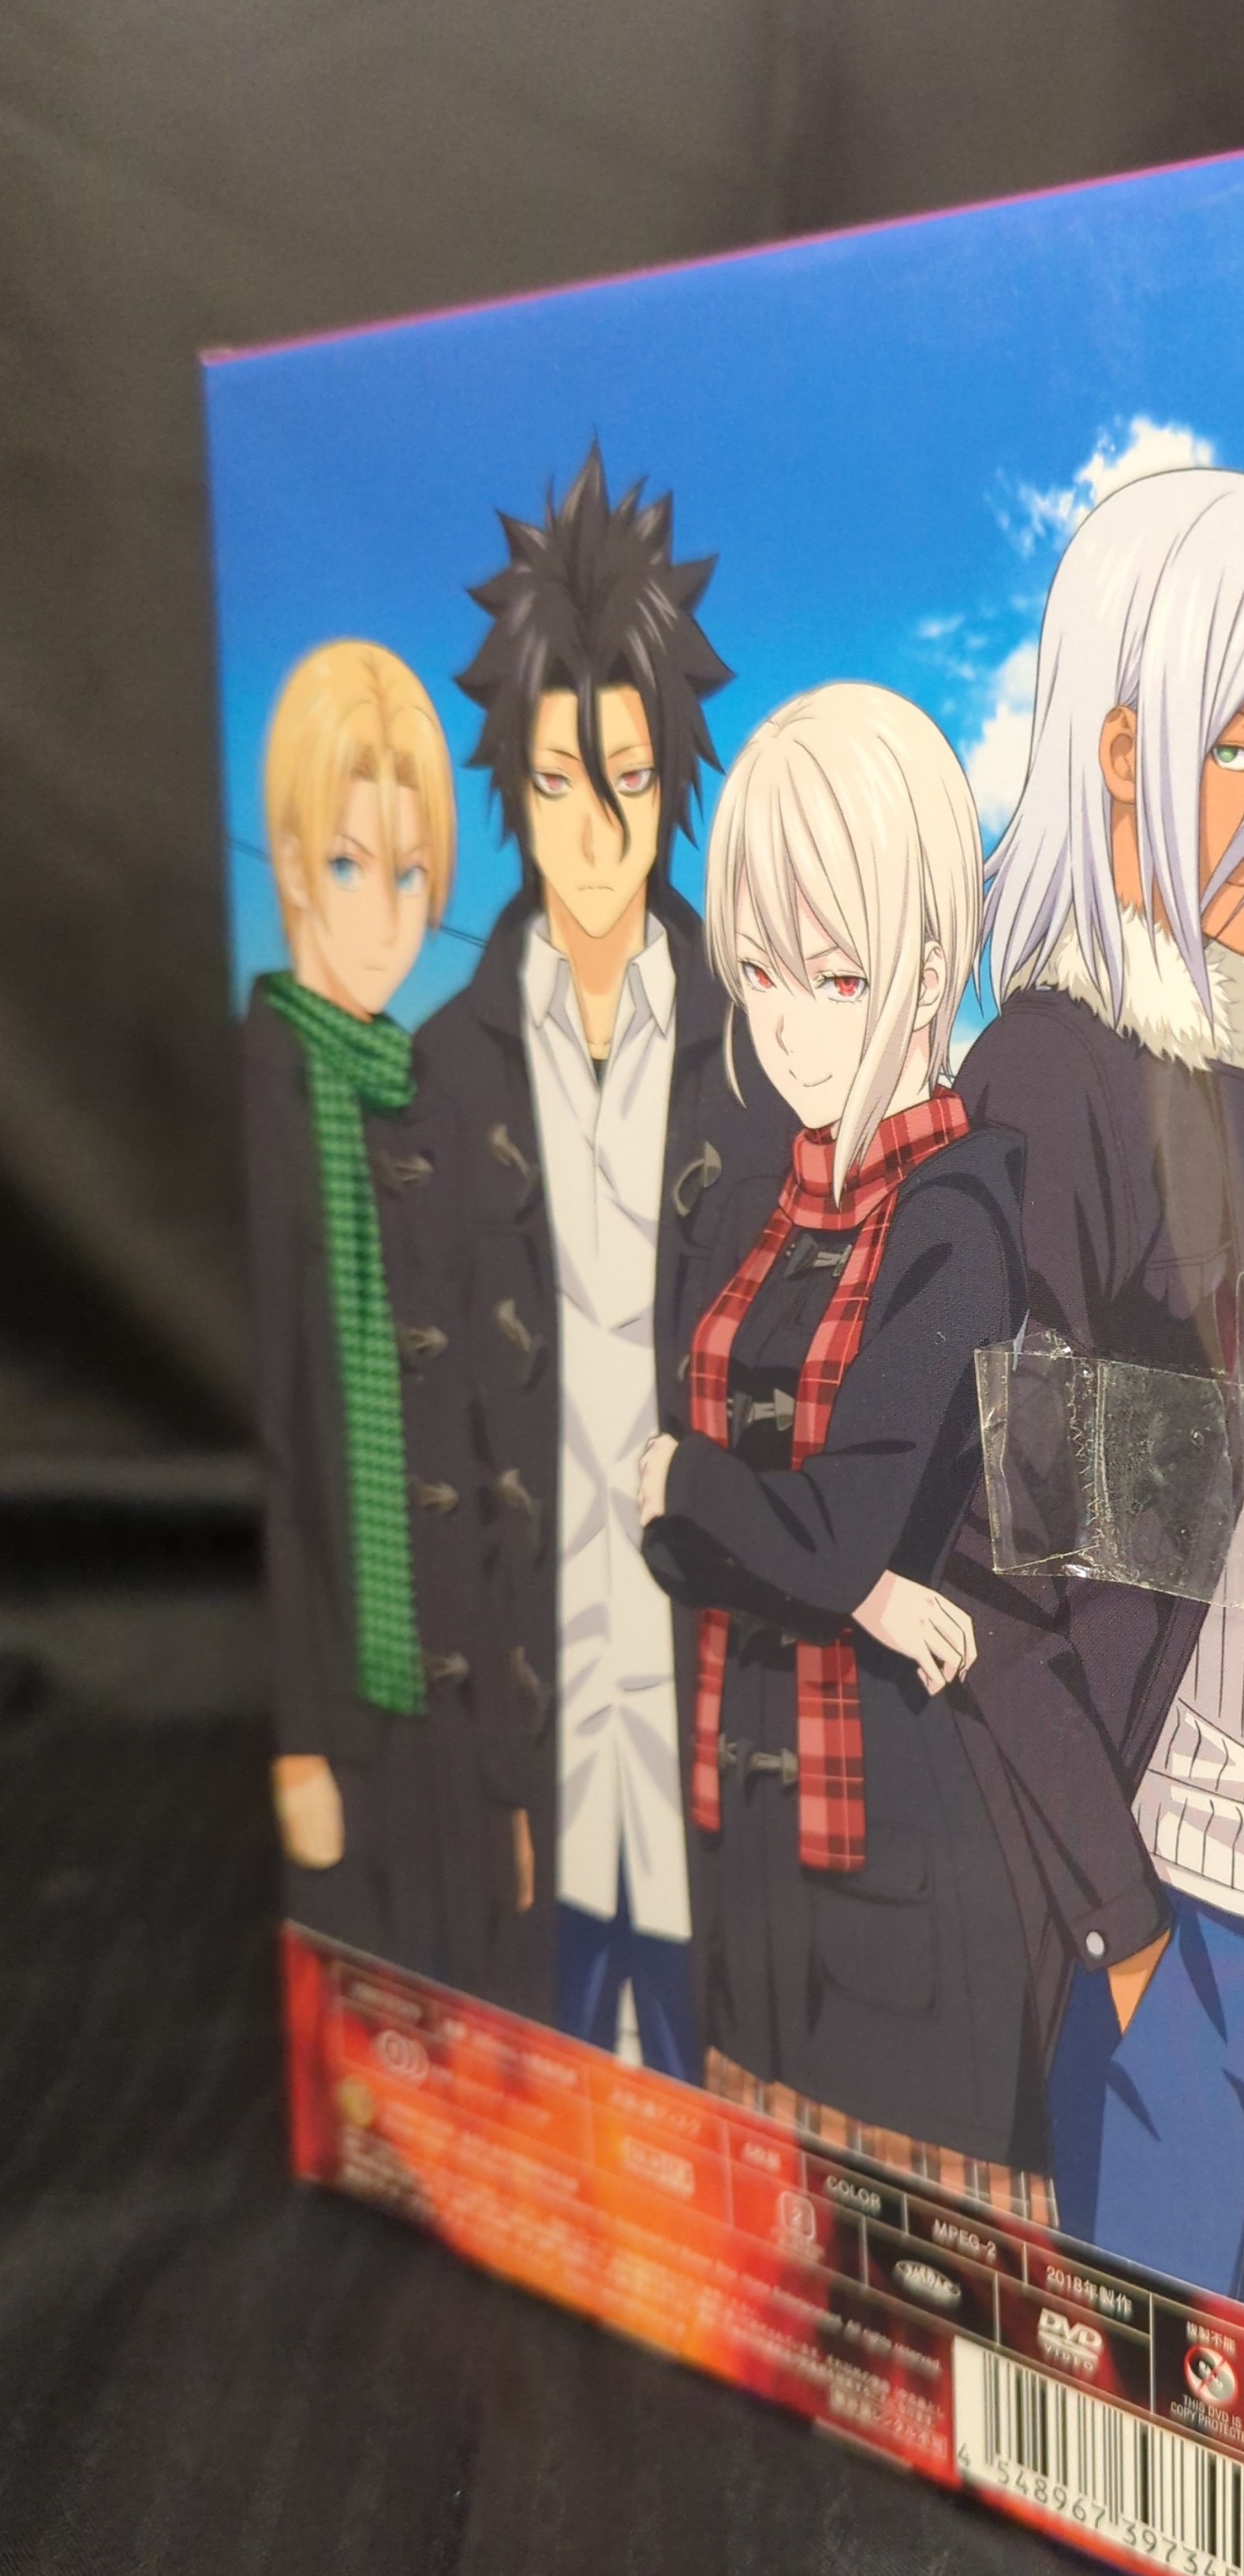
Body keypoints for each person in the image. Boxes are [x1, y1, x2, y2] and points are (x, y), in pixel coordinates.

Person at [949, 469, 1244, 2331]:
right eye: (1240, 749)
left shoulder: (1234, 1097)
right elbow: (999, 1580)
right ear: (1117, 753)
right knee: (1162, 2409)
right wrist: (1123, 1933)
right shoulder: (1052, 1084)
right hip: (1163, 1930)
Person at [635, 682, 1047, 2213]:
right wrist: (848, 1586)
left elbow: (814, 1524)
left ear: (930, 963)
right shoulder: (774, 1200)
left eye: (836, 972)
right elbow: (719, 1555)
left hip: (900, 1872)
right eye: (760, 972)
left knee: (914, 2273)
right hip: (748, 1855)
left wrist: (692, 1485)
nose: (792, 1025)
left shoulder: (959, 1214)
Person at [411, 449, 794, 2059]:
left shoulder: (752, 1050)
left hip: (709, 1692)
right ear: (511, 781)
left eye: (628, 779)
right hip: (534, 1693)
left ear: (674, 778)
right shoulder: (450, 1069)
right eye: (559, 783)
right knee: (553, 2065)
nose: (594, 831)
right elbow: (431, 1428)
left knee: (709, 2070)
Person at [246, 638, 528, 1994]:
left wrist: (509, 1772)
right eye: (350, 865)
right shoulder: (260, 1090)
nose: (384, 920)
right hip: (347, 1707)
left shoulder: (425, 1101)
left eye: (411, 878)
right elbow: (272, 1448)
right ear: (292, 862)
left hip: (459, 1709)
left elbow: (474, 1425)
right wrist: (295, 1744)